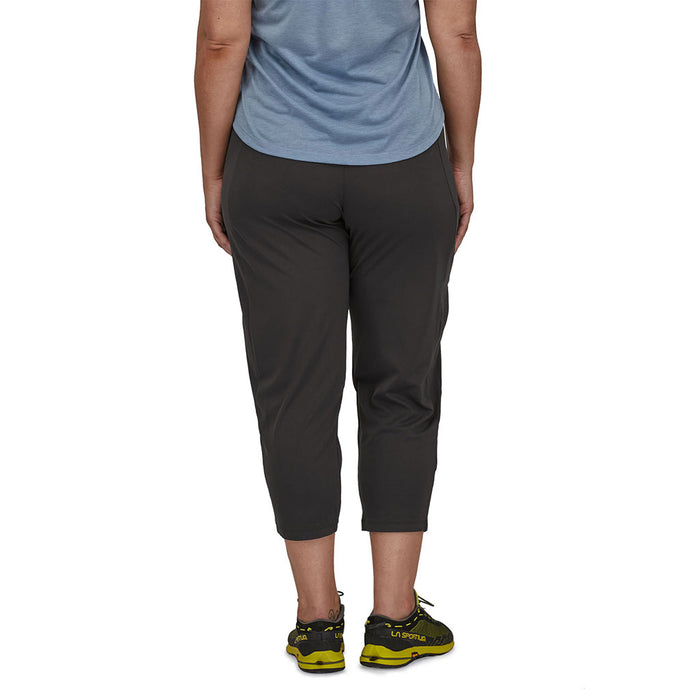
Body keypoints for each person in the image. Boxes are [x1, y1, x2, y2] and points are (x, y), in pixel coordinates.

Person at [194, 0, 481, 673]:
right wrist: (461, 163)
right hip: (404, 163)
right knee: (401, 386)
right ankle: (394, 618)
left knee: (294, 397)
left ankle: (317, 622)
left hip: (275, 166)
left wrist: (213, 171)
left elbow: (221, 40)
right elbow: (458, 33)